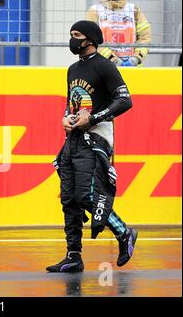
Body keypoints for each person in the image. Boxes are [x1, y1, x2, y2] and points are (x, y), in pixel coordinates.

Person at [46, 20, 138, 273]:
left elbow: (124, 100)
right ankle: (73, 255)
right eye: (71, 34)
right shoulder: (73, 69)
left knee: (85, 195)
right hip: (73, 140)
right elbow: (72, 102)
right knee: (68, 200)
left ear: (90, 39)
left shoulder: (105, 66)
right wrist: (66, 117)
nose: (72, 40)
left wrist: (94, 118)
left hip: (95, 139)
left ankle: (123, 232)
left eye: (77, 35)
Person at [86, 0, 151, 67]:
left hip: (133, 68)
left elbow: (144, 38)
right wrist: (113, 59)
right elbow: (92, 40)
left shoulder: (134, 10)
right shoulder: (95, 11)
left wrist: (136, 59)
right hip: (103, 67)